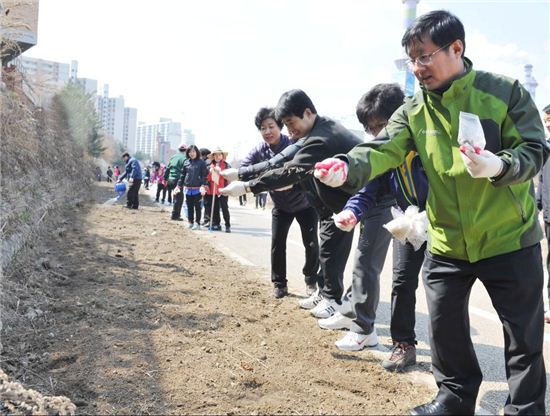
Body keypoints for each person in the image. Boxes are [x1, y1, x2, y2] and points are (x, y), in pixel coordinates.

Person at [314, 10, 548, 415]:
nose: (418, 68)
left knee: (522, 337)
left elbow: (534, 147)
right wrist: (347, 167)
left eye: (425, 56)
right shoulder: (413, 110)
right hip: (447, 241)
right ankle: (453, 399)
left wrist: (499, 165)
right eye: (412, 59)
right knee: (445, 328)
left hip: (509, 235)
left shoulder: (503, 91)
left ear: (456, 48)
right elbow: (382, 148)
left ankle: (525, 408)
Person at [220, 89, 362, 318]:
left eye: (289, 123)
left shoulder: (321, 138)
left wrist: (247, 187)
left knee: (333, 252)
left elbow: (290, 171)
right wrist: (242, 173)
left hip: (357, 200)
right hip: (332, 203)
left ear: (307, 113)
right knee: (327, 249)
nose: (288, 130)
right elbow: (282, 159)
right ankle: (326, 294)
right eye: (284, 124)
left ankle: (336, 302)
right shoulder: (313, 130)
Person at [320, 84, 428, 372]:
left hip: (442, 223)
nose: (377, 134)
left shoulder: (427, 141)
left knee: (442, 290)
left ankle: (448, 356)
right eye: (371, 129)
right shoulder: (384, 153)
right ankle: (403, 344)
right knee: (402, 283)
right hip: (409, 224)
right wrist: (351, 212)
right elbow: (369, 187)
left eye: (382, 125)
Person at [239, 107, 320, 298]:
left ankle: (311, 280)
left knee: (311, 244)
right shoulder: (259, 150)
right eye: (263, 128)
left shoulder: (292, 143)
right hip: (281, 206)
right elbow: (244, 167)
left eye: (271, 126)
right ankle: (279, 283)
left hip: (305, 203)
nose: (267, 132)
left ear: (280, 126)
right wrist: (262, 179)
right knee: (277, 244)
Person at [536, 103, 550, 323]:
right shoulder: (544, 147)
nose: (548, 123)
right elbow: (541, 180)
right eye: (546, 119)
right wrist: (537, 204)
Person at [174, 145, 208, 229]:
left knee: (197, 207)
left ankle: (197, 223)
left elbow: (204, 175)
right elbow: (182, 175)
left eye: (193, 151)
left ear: (197, 152)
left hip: (198, 189)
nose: (192, 153)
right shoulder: (186, 162)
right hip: (188, 189)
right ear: (187, 153)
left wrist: (203, 185)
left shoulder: (201, 162)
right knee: (189, 207)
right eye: (190, 152)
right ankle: (190, 222)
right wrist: (178, 185)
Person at [207, 147, 231, 232]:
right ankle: (216, 224)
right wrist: (211, 172)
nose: (217, 156)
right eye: (215, 155)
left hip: (223, 189)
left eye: (219, 155)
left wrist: (221, 172)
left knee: (224, 207)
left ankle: (227, 225)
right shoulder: (210, 166)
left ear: (222, 156)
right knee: (215, 208)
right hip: (213, 190)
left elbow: (230, 177)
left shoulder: (227, 165)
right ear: (213, 156)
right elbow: (207, 179)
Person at [165, 143, 188, 220]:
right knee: (179, 199)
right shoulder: (185, 158)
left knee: (175, 197)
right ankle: (175, 215)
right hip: (178, 181)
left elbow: (167, 169)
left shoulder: (173, 157)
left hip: (170, 180)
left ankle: (175, 214)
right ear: (186, 150)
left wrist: (165, 179)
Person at [200, 148, 212, 226]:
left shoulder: (207, 163)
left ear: (204, 155)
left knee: (207, 203)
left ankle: (207, 220)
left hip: (208, 185)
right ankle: (207, 219)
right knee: (207, 203)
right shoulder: (207, 162)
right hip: (208, 185)